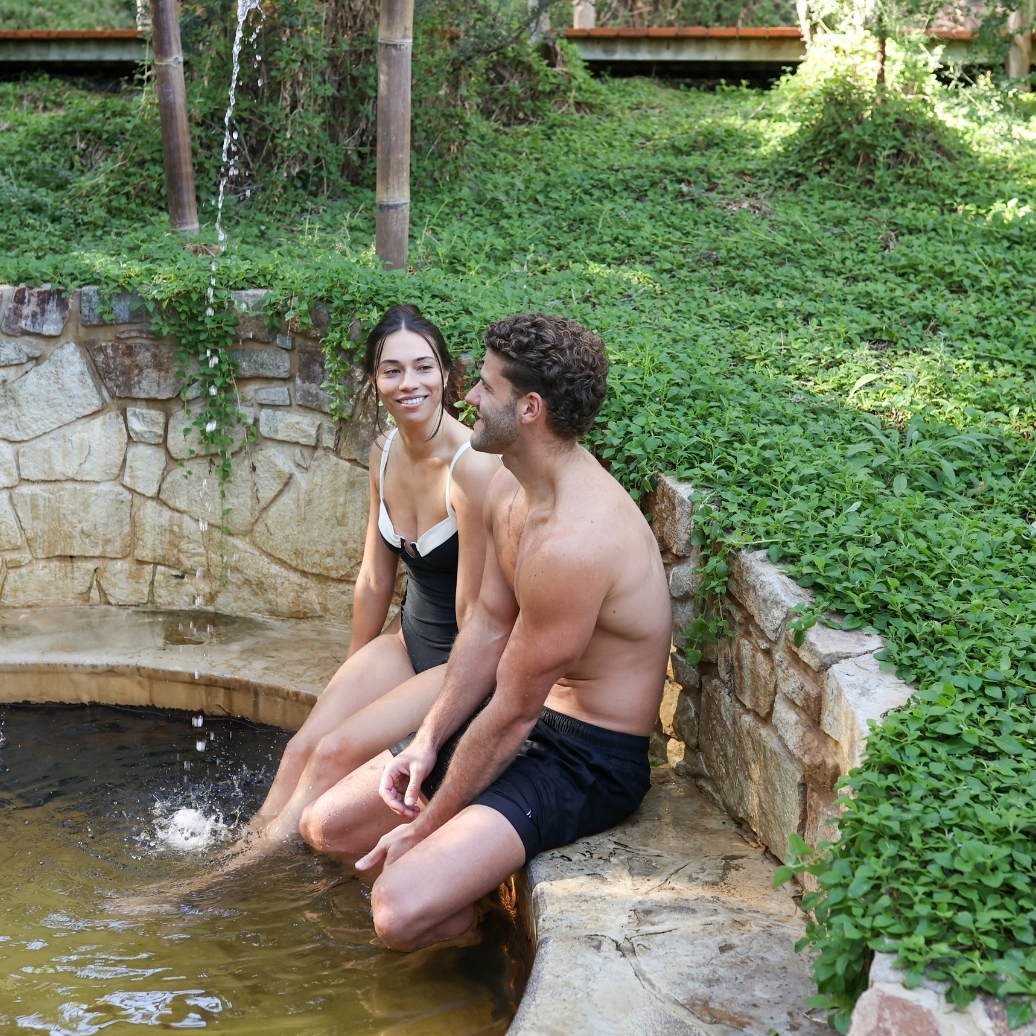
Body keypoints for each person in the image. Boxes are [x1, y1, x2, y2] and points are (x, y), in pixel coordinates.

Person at [296, 312, 673, 951]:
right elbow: (488, 627)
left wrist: (425, 827)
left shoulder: (574, 542)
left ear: (529, 409)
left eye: (487, 387)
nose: (468, 396)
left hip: (585, 756)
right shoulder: (508, 486)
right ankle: (461, 902)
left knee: (395, 908)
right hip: (525, 718)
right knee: (326, 824)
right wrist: (428, 739)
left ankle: (476, 961)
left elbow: (513, 714)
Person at [250, 304, 500, 845]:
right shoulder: (382, 452)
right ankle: (247, 843)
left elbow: (473, 618)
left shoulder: (473, 469)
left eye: (423, 367)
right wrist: (353, 676)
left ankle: (234, 878)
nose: (409, 383)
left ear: (447, 376)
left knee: (335, 755)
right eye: (392, 370)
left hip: (460, 657)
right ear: (374, 381)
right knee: (305, 747)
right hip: (408, 638)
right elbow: (373, 579)